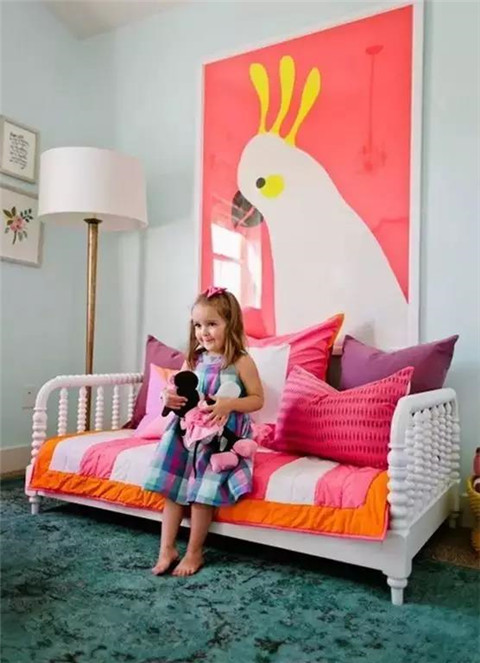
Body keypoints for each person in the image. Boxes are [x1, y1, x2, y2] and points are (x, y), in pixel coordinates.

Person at [144, 286, 264, 577]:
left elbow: (257, 399)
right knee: (173, 489)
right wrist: (167, 397)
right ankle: (167, 549)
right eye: (198, 325)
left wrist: (229, 403)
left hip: (219, 437)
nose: (203, 332)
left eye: (211, 324)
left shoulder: (240, 361)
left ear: (230, 324)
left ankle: (194, 552)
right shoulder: (194, 359)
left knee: (201, 494)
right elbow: (176, 388)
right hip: (186, 433)